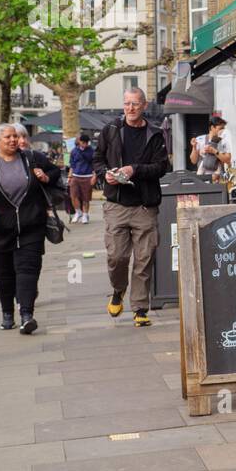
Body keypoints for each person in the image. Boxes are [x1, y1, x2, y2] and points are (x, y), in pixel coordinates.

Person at [0, 123, 62, 334]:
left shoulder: (31, 158)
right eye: (8, 137)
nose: (13, 140)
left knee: (28, 269)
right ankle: (7, 313)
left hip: (32, 225)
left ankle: (27, 315)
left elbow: (55, 172)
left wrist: (45, 177)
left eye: (15, 136)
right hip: (0, 227)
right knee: (5, 274)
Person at [95, 87, 170, 326]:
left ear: (144, 106)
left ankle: (140, 308)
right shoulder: (111, 130)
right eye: (127, 103)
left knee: (144, 259)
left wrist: (134, 169)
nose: (130, 108)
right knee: (116, 257)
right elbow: (97, 160)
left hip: (145, 206)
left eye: (135, 104)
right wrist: (103, 175)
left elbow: (161, 168)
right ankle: (118, 290)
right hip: (117, 204)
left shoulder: (155, 134)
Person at [68, 133, 96, 223]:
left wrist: (94, 177)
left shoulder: (91, 151)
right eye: (83, 142)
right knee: (73, 196)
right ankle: (78, 212)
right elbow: (72, 165)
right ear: (79, 142)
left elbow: (95, 165)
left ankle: (85, 215)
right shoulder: (74, 151)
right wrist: (69, 176)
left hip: (87, 176)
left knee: (86, 198)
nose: (85, 144)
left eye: (87, 142)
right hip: (75, 176)